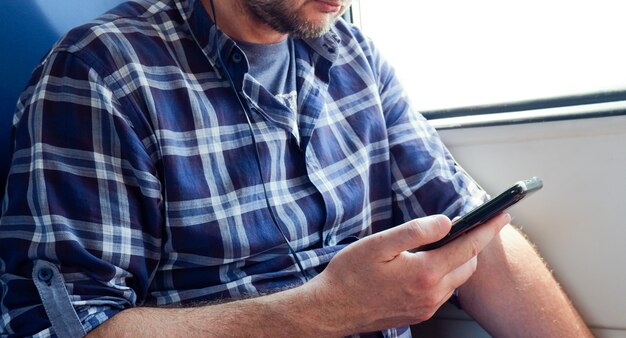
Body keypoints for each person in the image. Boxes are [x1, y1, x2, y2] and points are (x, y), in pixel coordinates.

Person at [0, 0, 592, 337]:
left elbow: (474, 237)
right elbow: (64, 330)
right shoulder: (103, 74)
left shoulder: (351, 55)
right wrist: (326, 308)